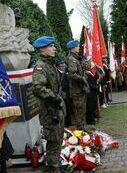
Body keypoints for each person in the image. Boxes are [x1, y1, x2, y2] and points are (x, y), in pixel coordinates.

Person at [32, 36, 65, 172]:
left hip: (57, 110)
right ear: (42, 49)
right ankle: (53, 169)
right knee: (53, 143)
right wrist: (55, 97)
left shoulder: (50, 65)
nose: (54, 49)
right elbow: (38, 88)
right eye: (51, 46)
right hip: (49, 112)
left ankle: (56, 166)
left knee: (58, 142)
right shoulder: (40, 66)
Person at [67, 40, 89, 130]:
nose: (78, 48)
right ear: (72, 48)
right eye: (77, 47)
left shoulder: (76, 59)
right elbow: (72, 74)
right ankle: (80, 131)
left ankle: (82, 129)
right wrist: (82, 78)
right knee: (79, 111)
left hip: (80, 89)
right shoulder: (72, 60)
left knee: (82, 110)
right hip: (77, 91)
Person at [56, 59, 72, 127]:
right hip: (61, 94)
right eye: (61, 65)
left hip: (67, 93)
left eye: (63, 64)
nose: (63, 66)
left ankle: (69, 123)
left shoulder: (65, 73)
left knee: (68, 107)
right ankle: (64, 124)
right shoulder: (57, 74)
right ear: (58, 66)